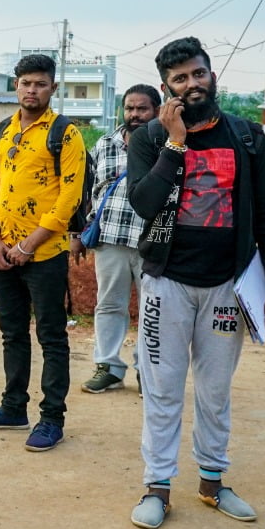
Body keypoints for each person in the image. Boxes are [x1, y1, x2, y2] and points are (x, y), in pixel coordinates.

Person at [125, 37, 265, 529]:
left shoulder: (247, 136)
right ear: (166, 88)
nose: (192, 84)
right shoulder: (150, 138)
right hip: (167, 282)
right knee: (162, 389)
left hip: (227, 285)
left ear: (212, 76)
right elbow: (144, 204)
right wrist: (175, 143)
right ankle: (157, 486)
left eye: (198, 74)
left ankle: (213, 482)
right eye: (180, 79)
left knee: (215, 390)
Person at [0, 53, 84, 452]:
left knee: (51, 336)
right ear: (15, 86)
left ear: (53, 88)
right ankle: (13, 407)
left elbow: (68, 199)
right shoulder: (2, 131)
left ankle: (51, 419)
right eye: (25, 83)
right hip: (4, 252)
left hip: (45, 253)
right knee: (12, 332)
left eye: (40, 84)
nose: (32, 90)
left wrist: (27, 246)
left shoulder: (65, 134)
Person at [72, 85, 161, 394]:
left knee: (153, 310)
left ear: (157, 111)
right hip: (110, 238)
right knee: (109, 304)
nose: (135, 115)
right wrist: (77, 234)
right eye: (130, 108)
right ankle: (108, 367)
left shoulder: (168, 145)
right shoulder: (105, 144)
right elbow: (87, 191)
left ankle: (147, 371)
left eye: (142, 109)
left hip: (152, 241)